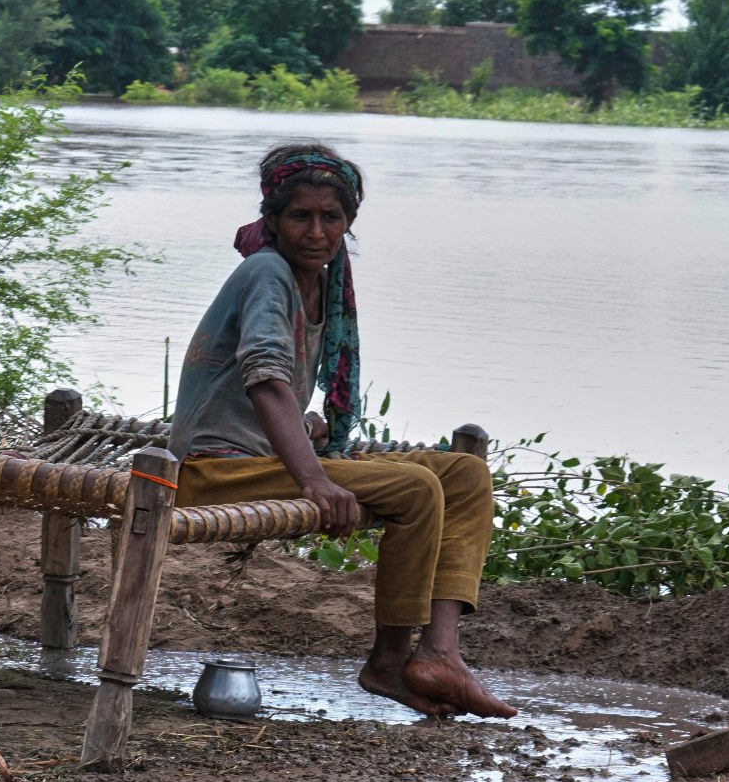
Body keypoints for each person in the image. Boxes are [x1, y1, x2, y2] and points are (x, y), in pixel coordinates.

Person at [167, 140, 516, 720]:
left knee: (464, 474)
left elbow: (273, 390)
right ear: (272, 218)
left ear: (349, 222)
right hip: (211, 472)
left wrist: (308, 429)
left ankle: (441, 654)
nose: (316, 232)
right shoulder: (268, 271)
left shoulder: (324, 282)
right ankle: (388, 664)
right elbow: (265, 379)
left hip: (263, 460)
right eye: (300, 216)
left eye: (331, 217)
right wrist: (316, 480)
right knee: (415, 489)